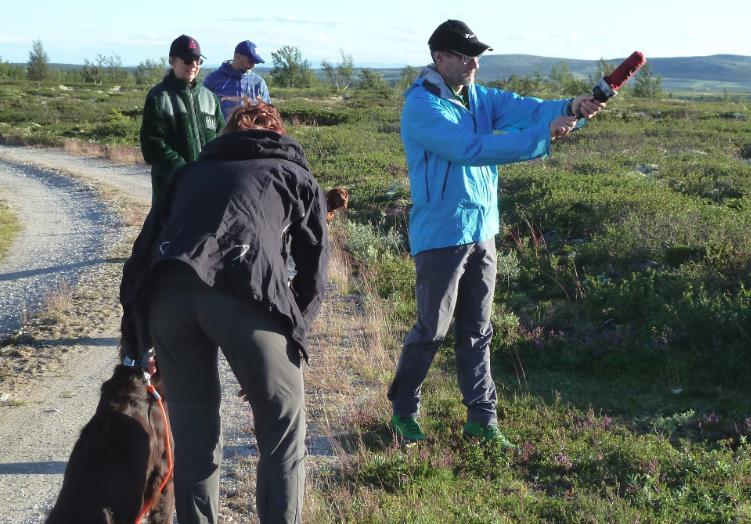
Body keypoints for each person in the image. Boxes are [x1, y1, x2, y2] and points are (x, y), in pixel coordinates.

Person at [387, 20, 605, 446]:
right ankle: (403, 411)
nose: (473, 64)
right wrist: (542, 136)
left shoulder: (480, 98)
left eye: (477, 57)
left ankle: (482, 420)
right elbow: (469, 150)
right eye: (464, 56)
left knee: (477, 329)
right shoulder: (422, 107)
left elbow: (528, 108)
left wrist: (571, 106)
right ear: (439, 58)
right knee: (431, 329)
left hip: (483, 229)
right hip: (442, 234)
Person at [120, 102, 329, 523]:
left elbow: (141, 254)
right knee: (282, 431)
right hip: (247, 296)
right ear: (279, 136)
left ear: (227, 134)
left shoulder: (187, 175)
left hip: (169, 298)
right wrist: (290, 341)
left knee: (195, 441)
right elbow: (313, 273)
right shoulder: (296, 175)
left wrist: (137, 340)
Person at [140, 34, 225, 205]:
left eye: (198, 60)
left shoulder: (209, 98)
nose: (193, 65)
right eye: (187, 60)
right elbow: (152, 146)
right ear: (172, 61)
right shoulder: (159, 97)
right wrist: (184, 172)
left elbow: (223, 138)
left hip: (208, 187)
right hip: (172, 191)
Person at [203, 40, 271, 119]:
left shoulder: (259, 83)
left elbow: (268, 113)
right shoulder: (213, 80)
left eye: (255, 62)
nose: (253, 65)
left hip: (252, 131)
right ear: (237, 56)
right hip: (223, 131)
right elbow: (204, 113)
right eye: (250, 61)